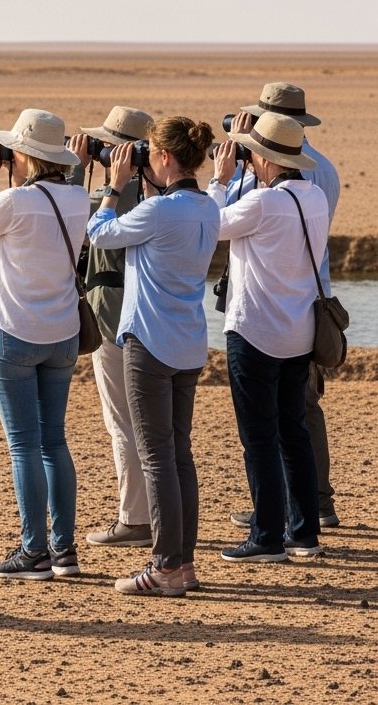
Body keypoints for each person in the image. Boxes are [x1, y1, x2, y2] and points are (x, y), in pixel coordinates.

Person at [0, 110, 89, 580]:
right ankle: (64, 549)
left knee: (23, 446)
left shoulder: (13, 200)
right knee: (54, 440)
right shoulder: (79, 199)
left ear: (24, 155)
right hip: (63, 334)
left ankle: (33, 553)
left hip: (13, 332)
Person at [87, 117, 219, 596]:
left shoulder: (161, 213)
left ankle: (164, 567)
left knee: (157, 458)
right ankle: (183, 565)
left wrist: (113, 186)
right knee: (179, 455)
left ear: (163, 157)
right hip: (188, 343)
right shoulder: (208, 208)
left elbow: (101, 234)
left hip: (149, 343)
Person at [220, 82, 341, 530]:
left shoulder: (264, 192)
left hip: (265, 313)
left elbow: (221, 222)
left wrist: (228, 175)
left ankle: (275, 520)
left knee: (267, 430)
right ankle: (307, 514)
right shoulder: (321, 175)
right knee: (297, 422)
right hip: (306, 305)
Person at [66, 106, 156, 550]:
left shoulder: (116, 196)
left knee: (122, 421)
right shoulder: (158, 191)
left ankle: (134, 518)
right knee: (156, 425)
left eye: (105, 145)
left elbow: (69, 226)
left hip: (111, 317)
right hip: (150, 319)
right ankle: (154, 513)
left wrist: (75, 169)